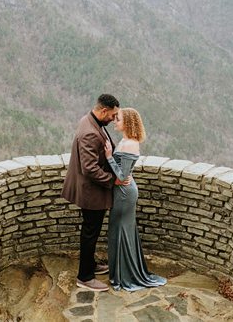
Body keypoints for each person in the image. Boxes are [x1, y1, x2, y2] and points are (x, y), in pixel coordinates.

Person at [61, 94, 131, 292]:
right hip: (91, 193)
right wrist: (113, 180)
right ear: (103, 111)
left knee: (90, 231)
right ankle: (85, 277)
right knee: (90, 233)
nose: (114, 118)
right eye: (113, 114)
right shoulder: (90, 133)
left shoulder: (90, 121)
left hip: (92, 191)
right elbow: (90, 168)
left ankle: (90, 265)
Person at [104, 107, 167, 291]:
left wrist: (108, 157)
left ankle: (126, 275)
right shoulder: (124, 141)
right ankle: (120, 271)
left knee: (122, 230)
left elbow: (122, 177)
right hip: (120, 192)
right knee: (117, 229)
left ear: (128, 122)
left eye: (118, 119)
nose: (115, 121)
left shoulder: (131, 143)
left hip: (124, 193)